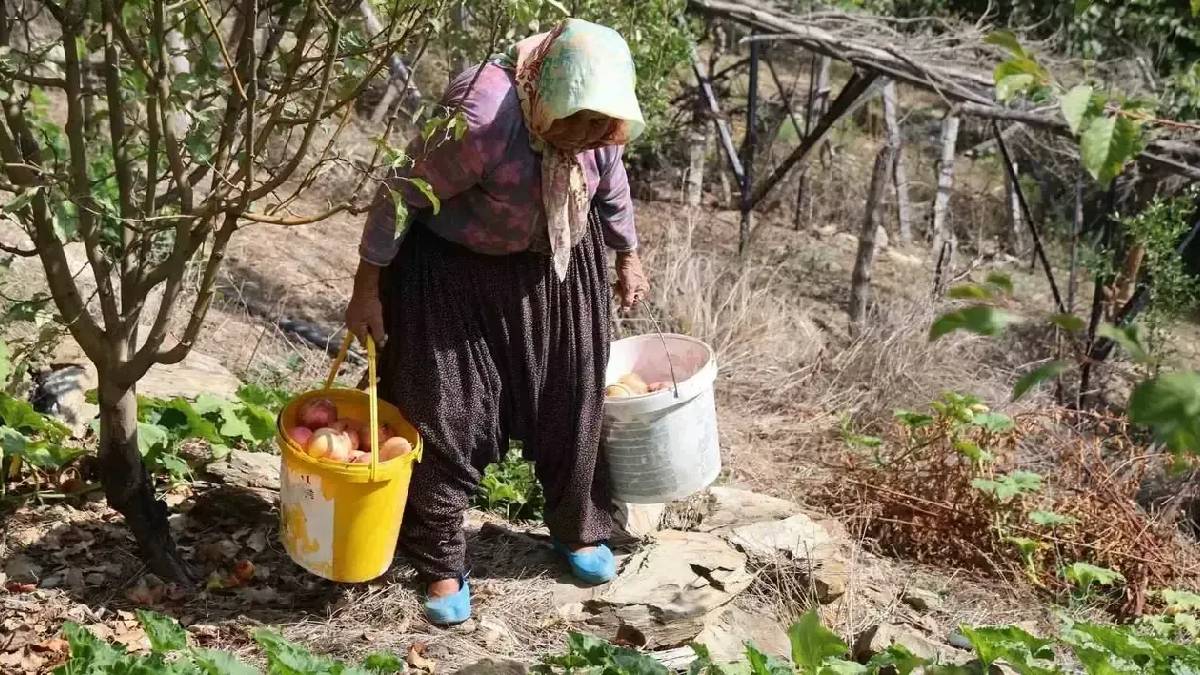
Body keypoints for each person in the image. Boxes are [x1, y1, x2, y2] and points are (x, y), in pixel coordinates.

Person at [344, 18, 649, 626]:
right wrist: (367, 288)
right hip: (456, 271)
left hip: (558, 263)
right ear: (546, 96)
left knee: (574, 395)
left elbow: (611, 184)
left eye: (601, 124)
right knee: (445, 411)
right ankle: (438, 557)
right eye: (579, 119)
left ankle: (577, 525)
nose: (590, 135)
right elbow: (399, 193)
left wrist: (627, 255)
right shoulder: (483, 116)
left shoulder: (601, 128)